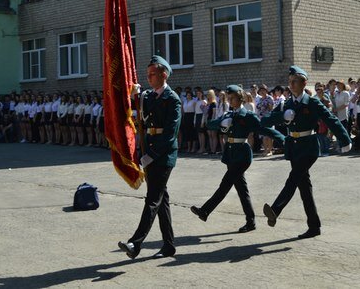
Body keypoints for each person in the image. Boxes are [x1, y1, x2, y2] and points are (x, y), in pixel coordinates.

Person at [261, 66, 352, 239]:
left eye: (294, 81)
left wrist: (344, 138)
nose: (291, 84)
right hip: (294, 147)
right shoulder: (286, 103)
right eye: (289, 82)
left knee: (293, 178)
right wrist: (282, 117)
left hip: (309, 146)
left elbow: (330, 119)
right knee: (304, 189)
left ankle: (275, 210)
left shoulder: (312, 102)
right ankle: (314, 226)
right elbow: (266, 121)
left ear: (304, 83)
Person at [190, 85, 285, 233]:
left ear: (240, 99)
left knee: (225, 184)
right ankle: (250, 221)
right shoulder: (229, 115)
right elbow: (211, 124)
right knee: (242, 190)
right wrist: (221, 123)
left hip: (242, 154)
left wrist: (283, 139)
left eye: (232, 98)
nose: (230, 100)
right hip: (231, 154)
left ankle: (205, 210)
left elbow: (263, 129)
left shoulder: (247, 115)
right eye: (229, 98)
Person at [118, 55, 182, 259]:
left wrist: (150, 156)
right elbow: (142, 122)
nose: (149, 78)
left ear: (164, 74)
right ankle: (169, 245)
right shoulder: (150, 96)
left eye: (152, 74)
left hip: (163, 156)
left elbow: (170, 135)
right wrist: (134, 97)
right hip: (149, 152)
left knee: (153, 199)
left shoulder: (172, 99)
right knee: (161, 200)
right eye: (147, 75)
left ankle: (135, 244)